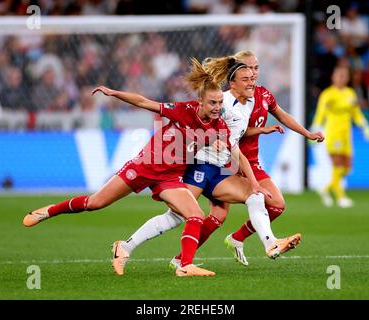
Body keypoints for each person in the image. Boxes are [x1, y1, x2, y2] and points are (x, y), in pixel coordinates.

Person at [22, 58, 252, 277]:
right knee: (95, 203)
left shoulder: (219, 124)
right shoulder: (183, 110)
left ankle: (185, 265)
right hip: (144, 167)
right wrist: (114, 94)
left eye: (220, 102)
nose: (217, 107)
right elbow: (144, 102)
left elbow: (231, 149)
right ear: (200, 101)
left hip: (171, 177)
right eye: (213, 102)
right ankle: (49, 211)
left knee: (195, 215)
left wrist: (236, 161)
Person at [112, 52, 321, 273]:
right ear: (233, 82)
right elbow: (205, 123)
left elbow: (234, 138)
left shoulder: (249, 102)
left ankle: (269, 243)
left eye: (254, 74)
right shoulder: (223, 103)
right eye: (247, 77)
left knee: (254, 196)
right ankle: (130, 247)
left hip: (222, 169)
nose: (253, 80)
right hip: (201, 165)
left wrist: (258, 133)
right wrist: (211, 140)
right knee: (176, 215)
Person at [312, 65, 369, 208]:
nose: (342, 78)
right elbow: (320, 114)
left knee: (347, 168)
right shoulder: (328, 94)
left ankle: (325, 189)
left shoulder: (350, 93)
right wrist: (315, 129)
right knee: (338, 165)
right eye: (339, 75)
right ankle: (340, 197)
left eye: (344, 75)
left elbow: (356, 113)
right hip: (333, 133)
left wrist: (365, 126)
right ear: (333, 77)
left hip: (347, 134)